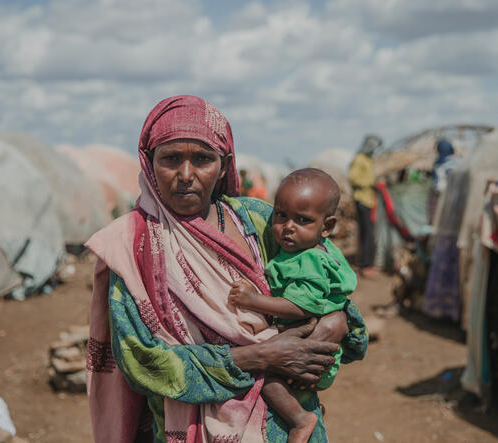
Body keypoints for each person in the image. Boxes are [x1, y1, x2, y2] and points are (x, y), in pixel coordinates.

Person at [84, 95, 368, 443]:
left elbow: (327, 291)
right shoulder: (132, 246)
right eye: (170, 158)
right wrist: (258, 356)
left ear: (223, 165)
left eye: (203, 159)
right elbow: (142, 362)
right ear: (149, 162)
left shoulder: (259, 220)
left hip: (287, 425)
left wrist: (329, 326)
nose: (185, 175)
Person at [228, 168, 356, 442]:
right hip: (313, 342)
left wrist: (253, 300)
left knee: (264, 375)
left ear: (327, 227)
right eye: (281, 215)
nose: (288, 226)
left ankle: (300, 419)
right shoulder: (306, 250)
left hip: (310, 341)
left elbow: (301, 308)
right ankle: (305, 408)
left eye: (302, 220)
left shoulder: (309, 259)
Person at [349, 135, 382, 279]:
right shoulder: (359, 160)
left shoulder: (369, 160)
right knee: (367, 233)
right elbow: (353, 178)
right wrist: (370, 182)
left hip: (369, 200)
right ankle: (366, 264)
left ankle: (366, 262)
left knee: (368, 233)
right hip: (362, 200)